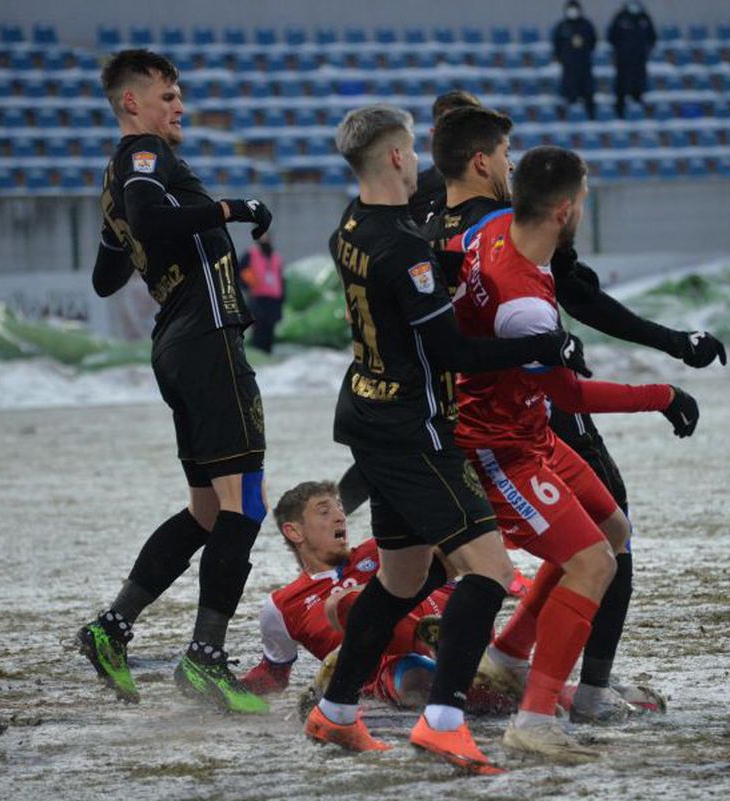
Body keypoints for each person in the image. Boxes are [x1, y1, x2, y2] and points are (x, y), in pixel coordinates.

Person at [419, 104, 726, 725]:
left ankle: (509, 656)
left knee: (609, 533)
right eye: (504, 151)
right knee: (586, 559)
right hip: (500, 436)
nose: (508, 161)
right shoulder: (517, 278)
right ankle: (541, 714)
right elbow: (572, 390)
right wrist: (663, 392)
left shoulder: (466, 225)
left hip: (508, 417)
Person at [303, 103, 585, 773]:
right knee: (489, 569)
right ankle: (444, 721)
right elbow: (451, 351)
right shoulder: (403, 250)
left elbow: (408, 286)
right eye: (413, 151)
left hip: (366, 415)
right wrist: (547, 343)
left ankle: (337, 712)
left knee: (401, 578)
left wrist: (445, 269)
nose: (423, 163)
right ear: (398, 157)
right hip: (413, 430)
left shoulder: (353, 222)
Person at [75, 49, 275, 714]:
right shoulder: (141, 154)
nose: (179, 107)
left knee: (208, 510)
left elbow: (106, 278)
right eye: (167, 96)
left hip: (177, 343)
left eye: (179, 95)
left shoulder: (122, 175)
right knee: (245, 500)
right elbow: (153, 214)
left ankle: (113, 625)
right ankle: (205, 656)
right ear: (132, 102)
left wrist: (120, 235)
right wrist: (231, 207)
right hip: (208, 337)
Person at [240, 481, 450, 706]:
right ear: (295, 532)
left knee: (352, 601)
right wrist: (229, 689)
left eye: (340, 507)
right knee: (403, 668)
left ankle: (449, 646)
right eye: (324, 511)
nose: (340, 516)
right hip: (403, 677)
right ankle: (457, 670)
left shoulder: (383, 549)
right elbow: (273, 674)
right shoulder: (281, 605)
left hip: (454, 621)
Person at [407, 90, 482, 226]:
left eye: (466, 129)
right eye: (450, 129)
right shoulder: (411, 193)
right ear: (433, 134)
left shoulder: (498, 194)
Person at [607, 1, 657, 118]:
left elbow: (652, 37)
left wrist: (645, 50)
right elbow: (611, 37)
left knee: (638, 90)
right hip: (623, 62)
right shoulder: (620, 17)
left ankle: (638, 115)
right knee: (621, 90)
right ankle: (619, 116)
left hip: (639, 62)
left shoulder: (644, 18)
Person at [552, 0, 598, 120]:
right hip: (569, 66)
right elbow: (557, 44)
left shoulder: (586, 25)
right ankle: (567, 119)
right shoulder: (562, 26)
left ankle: (591, 118)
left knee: (588, 92)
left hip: (585, 65)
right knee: (569, 93)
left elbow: (593, 41)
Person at [243, 232, 284, 353]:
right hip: (258, 298)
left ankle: (268, 356)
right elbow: (241, 271)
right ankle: (259, 356)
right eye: (262, 237)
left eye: (267, 237)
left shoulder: (276, 257)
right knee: (259, 330)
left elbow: (281, 279)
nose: (265, 239)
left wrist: (281, 298)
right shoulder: (251, 254)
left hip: (273, 300)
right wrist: (250, 284)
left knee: (269, 331)